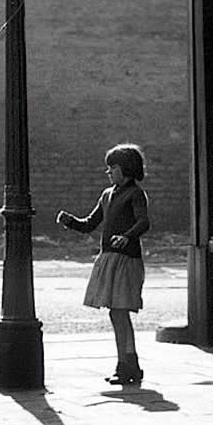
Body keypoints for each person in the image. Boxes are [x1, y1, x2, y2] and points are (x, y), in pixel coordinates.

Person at [56, 143, 149, 384]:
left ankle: (127, 364)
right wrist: (70, 221)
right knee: (116, 314)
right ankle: (128, 363)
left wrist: (127, 236)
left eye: (113, 167)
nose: (108, 172)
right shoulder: (107, 195)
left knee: (120, 312)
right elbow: (90, 223)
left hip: (127, 259)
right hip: (109, 257)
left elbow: (143, 222)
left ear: (126, 169)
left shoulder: (135, 194)